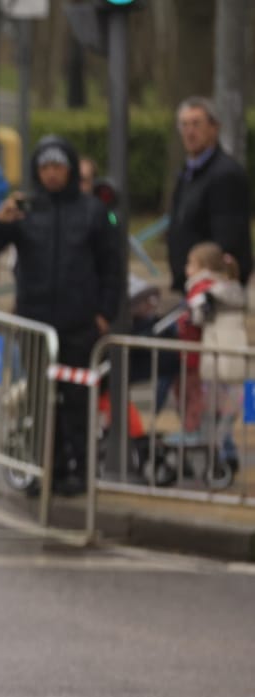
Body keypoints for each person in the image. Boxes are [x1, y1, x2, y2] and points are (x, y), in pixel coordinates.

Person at [0, 136, 120, 496]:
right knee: (39, 401)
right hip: (35, 323)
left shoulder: (92, 213)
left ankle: (81, 472)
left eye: (58, 167)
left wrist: (103, 314)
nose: (52, 174)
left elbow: (112, 268)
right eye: (45, 168)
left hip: (78, 324)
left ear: (69, 170)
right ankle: (45, 469)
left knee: (77, 402)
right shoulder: (25, 210)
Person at [167, 96, 252, 294]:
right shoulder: (187, 173)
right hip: (190, 282)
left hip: (211, 288)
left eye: (196, 124)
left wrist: (211, 277)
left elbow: (229, 236)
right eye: (184, 125)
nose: (189, 132)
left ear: (214, 128)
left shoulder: (225, 174)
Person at [182, 241, 248, 473]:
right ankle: (228, 455)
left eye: (190, 263)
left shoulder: (206, 292)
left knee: (216, 414)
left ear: (204, 267)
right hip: (239, 362)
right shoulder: (233, 289)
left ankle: (217, 459)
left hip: (218, 360)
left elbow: (197, 318)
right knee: (231, 414)